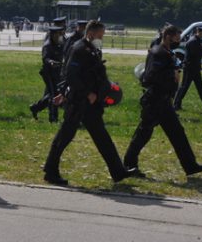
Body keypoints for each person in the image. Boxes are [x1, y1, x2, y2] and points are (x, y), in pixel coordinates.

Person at [43, 20, 137, 186]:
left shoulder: (92, 49)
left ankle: (118, 171)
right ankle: (50, 171)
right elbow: (71, 74)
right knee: (64, 136)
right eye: (100, 35)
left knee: (102, 137)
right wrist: (87, 93)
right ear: (91, 33)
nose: (102, 38)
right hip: (79, 102)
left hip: (91, 104)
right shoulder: (79, 48)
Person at [124, 25, 202, 176]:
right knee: (144, 133)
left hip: (164, 102)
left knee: (177, 133)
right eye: (177, 35)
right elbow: (150, 77)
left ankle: (190, 166)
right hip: (155, 100)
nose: (179, 38)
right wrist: (172, 75)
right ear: (168, 35)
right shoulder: (158, 52)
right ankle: (129, 164)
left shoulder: (168, 52)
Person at [173, 26, 202, 112]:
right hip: (190, 67)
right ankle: (176, 104)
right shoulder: (193, 41)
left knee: (201, 87)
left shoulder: (198, 40)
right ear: (199, 32)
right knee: (184, 87)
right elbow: (195, 55)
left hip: (195, 67)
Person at [30, 26, 64, 122]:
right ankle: (53, 118)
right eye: (58, 34)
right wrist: (51, 62)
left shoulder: (59, 43)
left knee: (52, 94)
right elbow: (45, 58)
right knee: (54, 95)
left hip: (57, 72)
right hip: (49, 73)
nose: (60, 36)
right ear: (53, 35)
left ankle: (35, 107)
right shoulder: (47, 45)